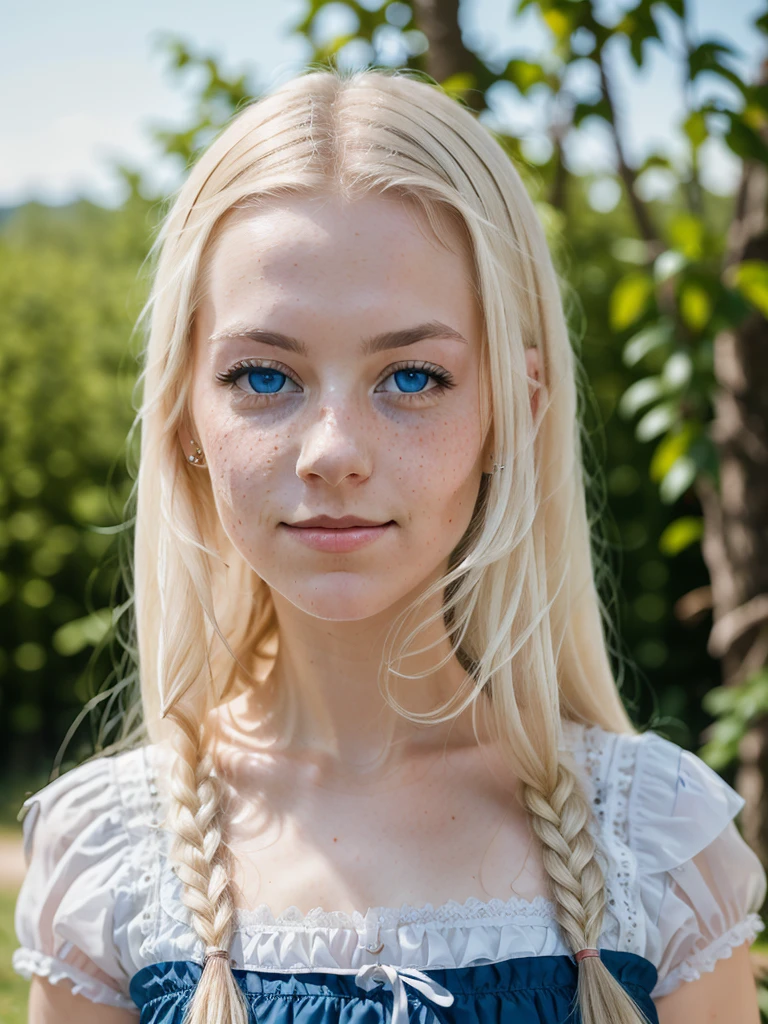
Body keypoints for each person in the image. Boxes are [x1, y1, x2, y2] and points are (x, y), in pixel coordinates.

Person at [12, 66, 767, 1024]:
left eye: (411, 377)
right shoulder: (110, 855)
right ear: (182, 415)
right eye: (263, 376)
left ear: (514, 410)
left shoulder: (656, 843)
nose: (333, 452)